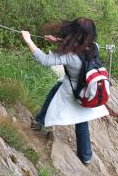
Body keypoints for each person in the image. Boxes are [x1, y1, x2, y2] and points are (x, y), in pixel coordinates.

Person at [20, 18, 109, 164]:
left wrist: (28, 40)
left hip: (74, 91)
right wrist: (57, 41)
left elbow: (45, 60)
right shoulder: (94, 47)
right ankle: (85, 156)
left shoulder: (70, 56)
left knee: (80, 119)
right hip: (87, 88)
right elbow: (77, 46)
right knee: (60, 93)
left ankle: (39, 123)